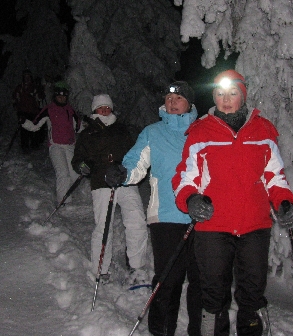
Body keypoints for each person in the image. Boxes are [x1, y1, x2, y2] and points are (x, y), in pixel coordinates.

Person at [172, 70, 293, 335]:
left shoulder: (263, 130)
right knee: (214, 292)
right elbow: (185, 177)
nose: (225, 99)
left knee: (252, 292)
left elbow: (275, 176)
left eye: (231, 94)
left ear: (243, 95)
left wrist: (284, 202)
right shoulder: (200, 131)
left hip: (254, 225)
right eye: (219, 94)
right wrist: (191, 199)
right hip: (213, 225)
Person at [105, 82, 202, 336]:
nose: (172, 102)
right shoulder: (153, 132)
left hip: (201, 218)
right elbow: (136, 163)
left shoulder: (203, 131)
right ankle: (161, 332)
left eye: (178, 97)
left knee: (200, 283)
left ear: (189, 103)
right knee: (167, 282)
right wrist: (122, 172)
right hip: (165, 216)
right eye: (169, 98)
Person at [71, 94, 148, 286]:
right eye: (100, 108)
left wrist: (127, 169)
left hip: (125, 180)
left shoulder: (121, 130)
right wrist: (83, 166)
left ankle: (137, 267)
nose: (104, 110)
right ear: (94, 110)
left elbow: (134, 153)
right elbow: (77, 159)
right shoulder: (87, 134)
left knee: (136, 220)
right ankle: (101, 268)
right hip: (102, 183)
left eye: (107, 107)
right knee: (103, 226)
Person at [22, 81, 81, 204]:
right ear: (55, 96)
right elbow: (35, 125)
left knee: (74, 173)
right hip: (56, 146)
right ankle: (64, 201)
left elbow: (78, 127)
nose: (61, 98)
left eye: (64, 96)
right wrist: (24, 122)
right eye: (59, 95)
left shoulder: (70, 110)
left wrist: (89, 125)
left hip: (70, 145)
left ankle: (69, 192)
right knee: (63, 173)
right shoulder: (49, 109)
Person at [12, 69, 46, 152]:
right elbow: (15, 99)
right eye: (25, 77)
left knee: (34, 129)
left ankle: (34, 145)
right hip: (23, 112)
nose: (27, 79)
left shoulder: (34, 88)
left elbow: (40, 98)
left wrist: (40, 90)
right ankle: (25, 146)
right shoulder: (20, 88)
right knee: (24, 131)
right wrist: (17, 108)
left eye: (28, 77)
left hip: (33, 112)